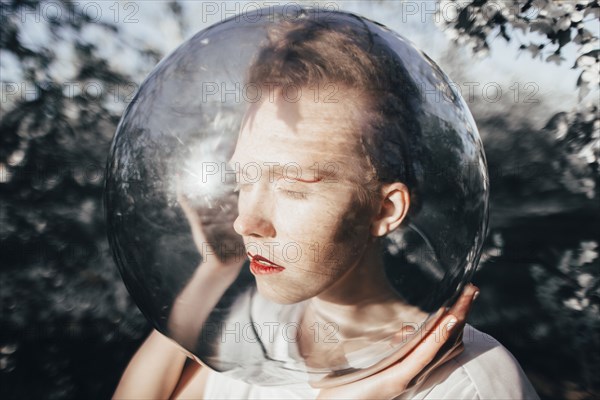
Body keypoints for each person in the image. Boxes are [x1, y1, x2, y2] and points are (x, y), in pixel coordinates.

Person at [113, 15, 539, 400]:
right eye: (243, 179)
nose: (246, 221)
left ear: (384, 210)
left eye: (295, 185)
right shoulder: (258, 327)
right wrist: (212, 273)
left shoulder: (467, 383)